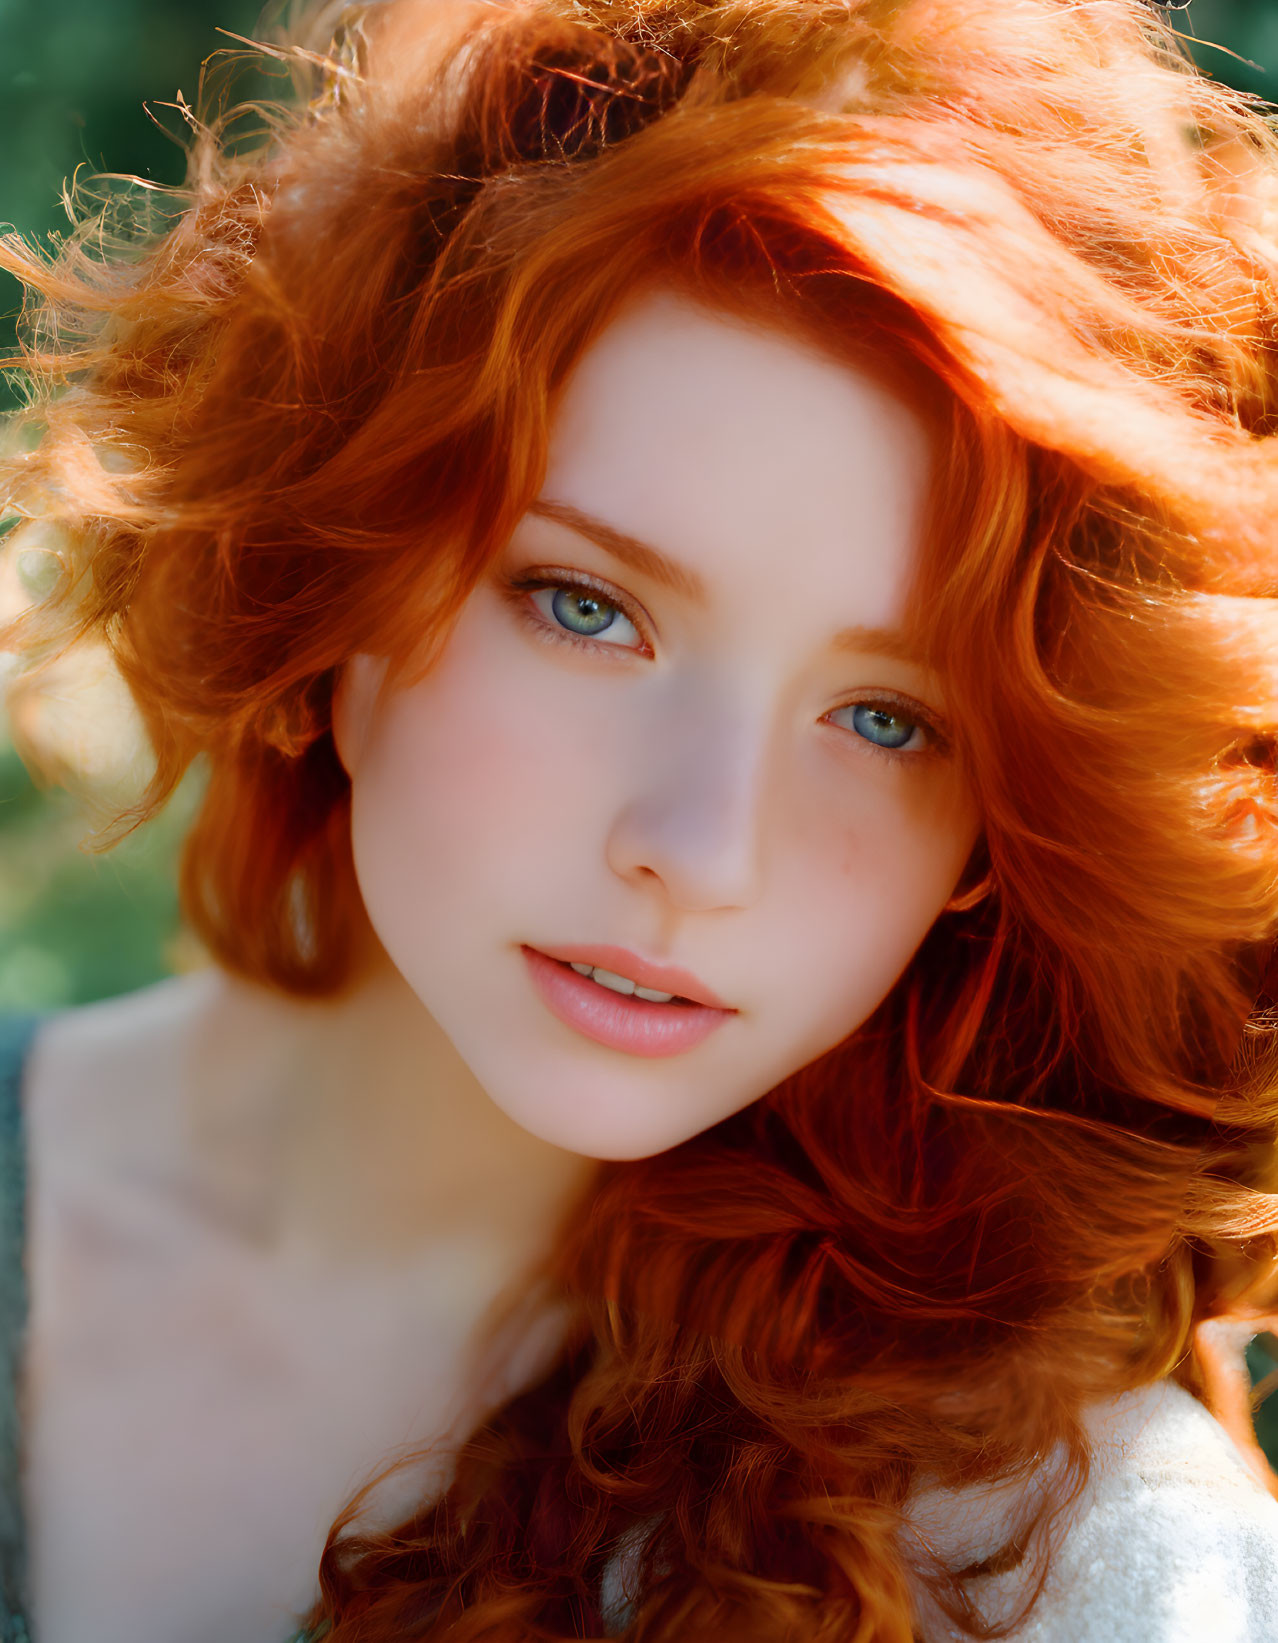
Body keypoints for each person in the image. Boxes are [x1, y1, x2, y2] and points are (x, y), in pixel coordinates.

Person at [1, 0, 1278, 1638]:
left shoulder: (1053, 1566)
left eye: (887, 719)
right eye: (587, 609)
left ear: (1001, 830)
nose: (701, 848)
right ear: (337, 570)